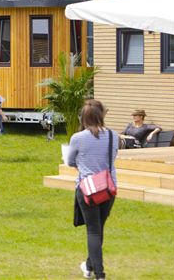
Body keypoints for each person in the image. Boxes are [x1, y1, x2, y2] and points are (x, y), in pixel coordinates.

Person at [67, 100, 118, 280]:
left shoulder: (78, 137)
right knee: (99, 229)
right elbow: (112, 158)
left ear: (84, 116)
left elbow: (70, 162)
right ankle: (89, 267)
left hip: (87, 188)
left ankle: (100, 274)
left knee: (93, 231)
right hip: (108, 187)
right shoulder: (113, 135)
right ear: (102, 114)